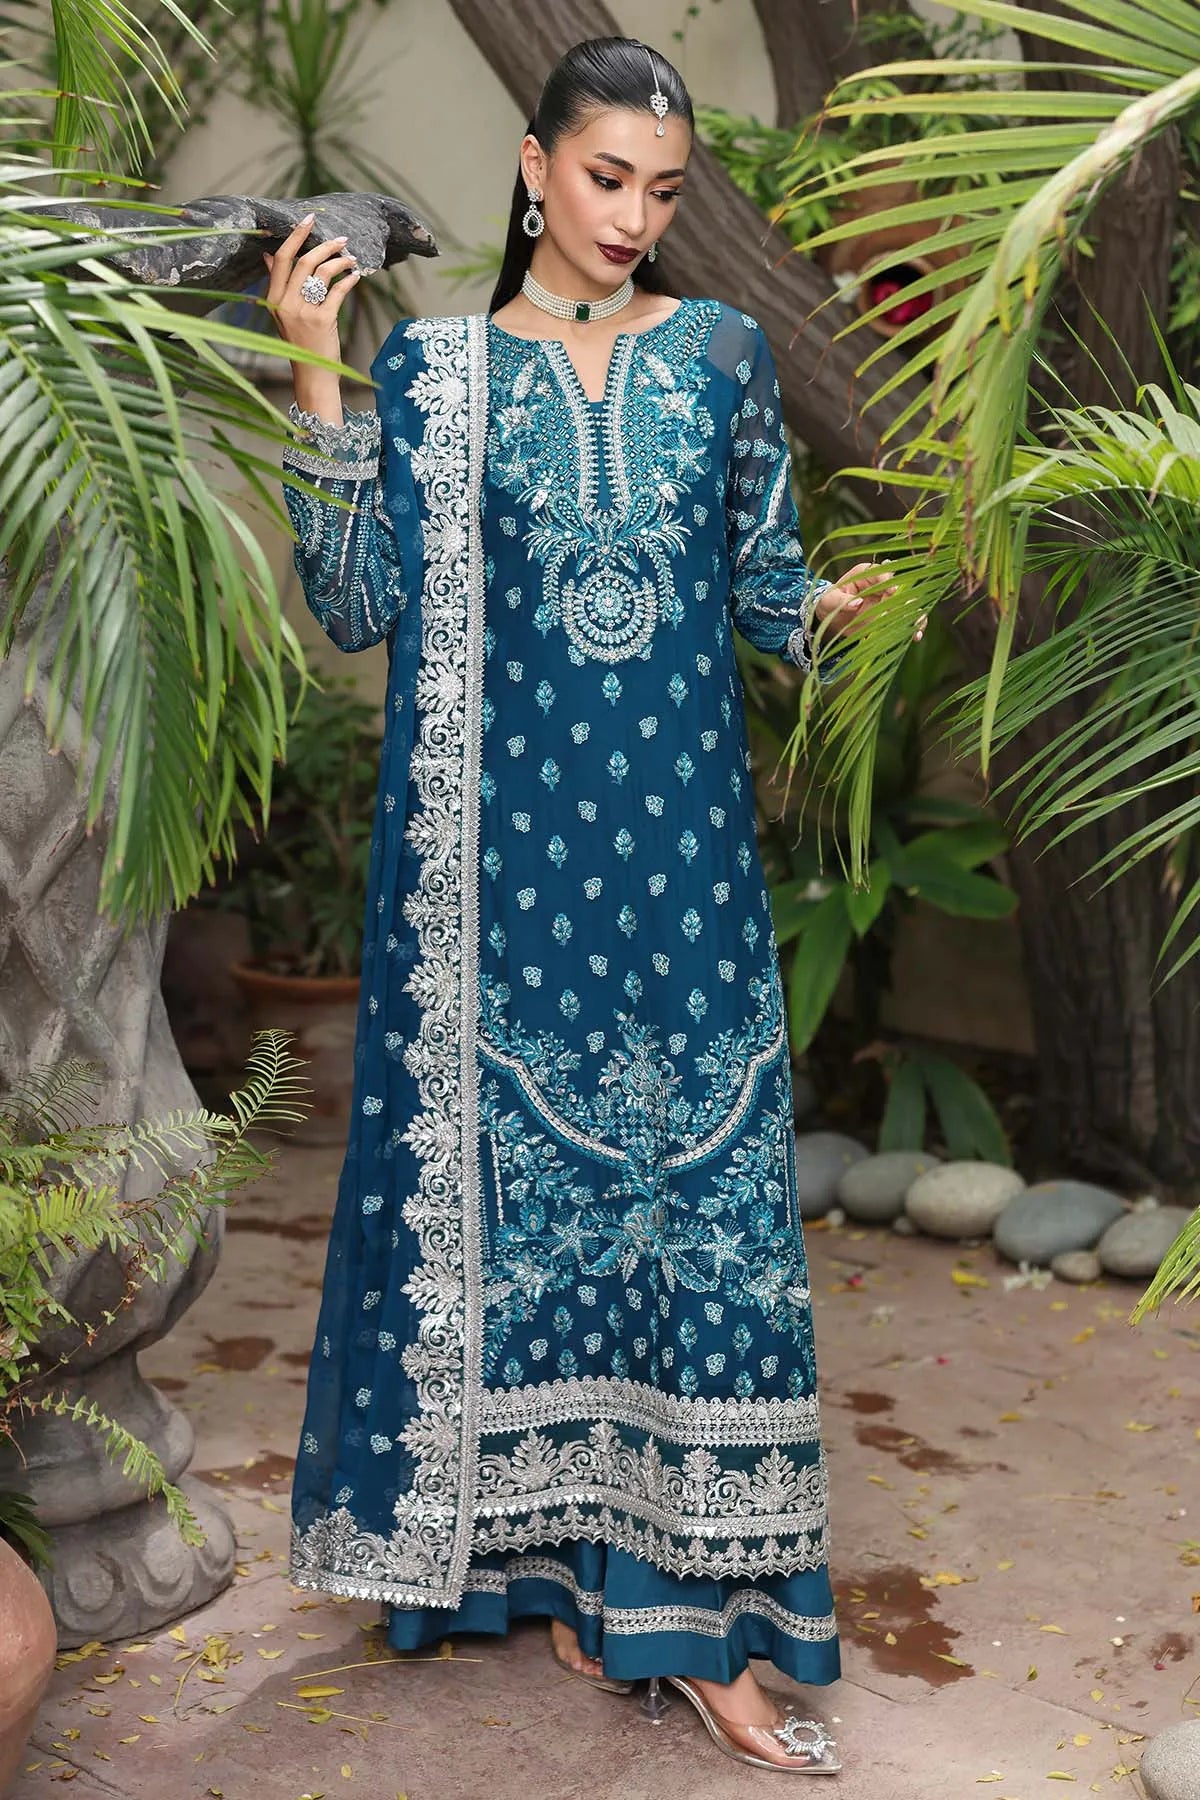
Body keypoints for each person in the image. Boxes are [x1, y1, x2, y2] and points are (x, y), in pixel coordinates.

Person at [265, 34, 915, 1776]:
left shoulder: (719, 355)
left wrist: (854, 607)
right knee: (535, 1222)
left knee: (694, 1208)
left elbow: (764, 582)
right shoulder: (447, 375)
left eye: (664, 190)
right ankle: (576, 1579)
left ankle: (698, 1618)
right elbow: (356, 604)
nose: (634, 216)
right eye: (608, 176)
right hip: (506, 887)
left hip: (682, 869)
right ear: (537, 167)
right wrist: (321, 379)